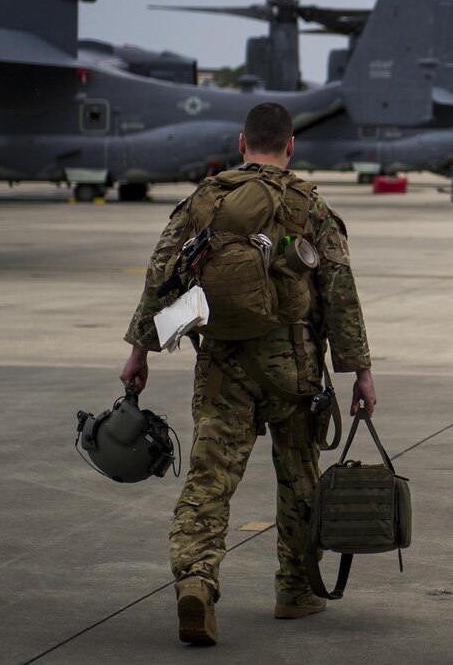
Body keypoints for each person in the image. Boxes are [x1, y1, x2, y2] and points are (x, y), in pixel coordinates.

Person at [120, 102, 376, 645]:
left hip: (222, 364)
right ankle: (296, 590)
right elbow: (340, 292)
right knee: (299, 480)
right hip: (296, 368)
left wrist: (140, 352)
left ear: (241, 144)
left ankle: (196, 579)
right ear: (290, 147)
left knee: (210, 479)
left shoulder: (205, 200)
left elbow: (160, 275)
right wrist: (360, 372)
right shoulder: (311, 205)